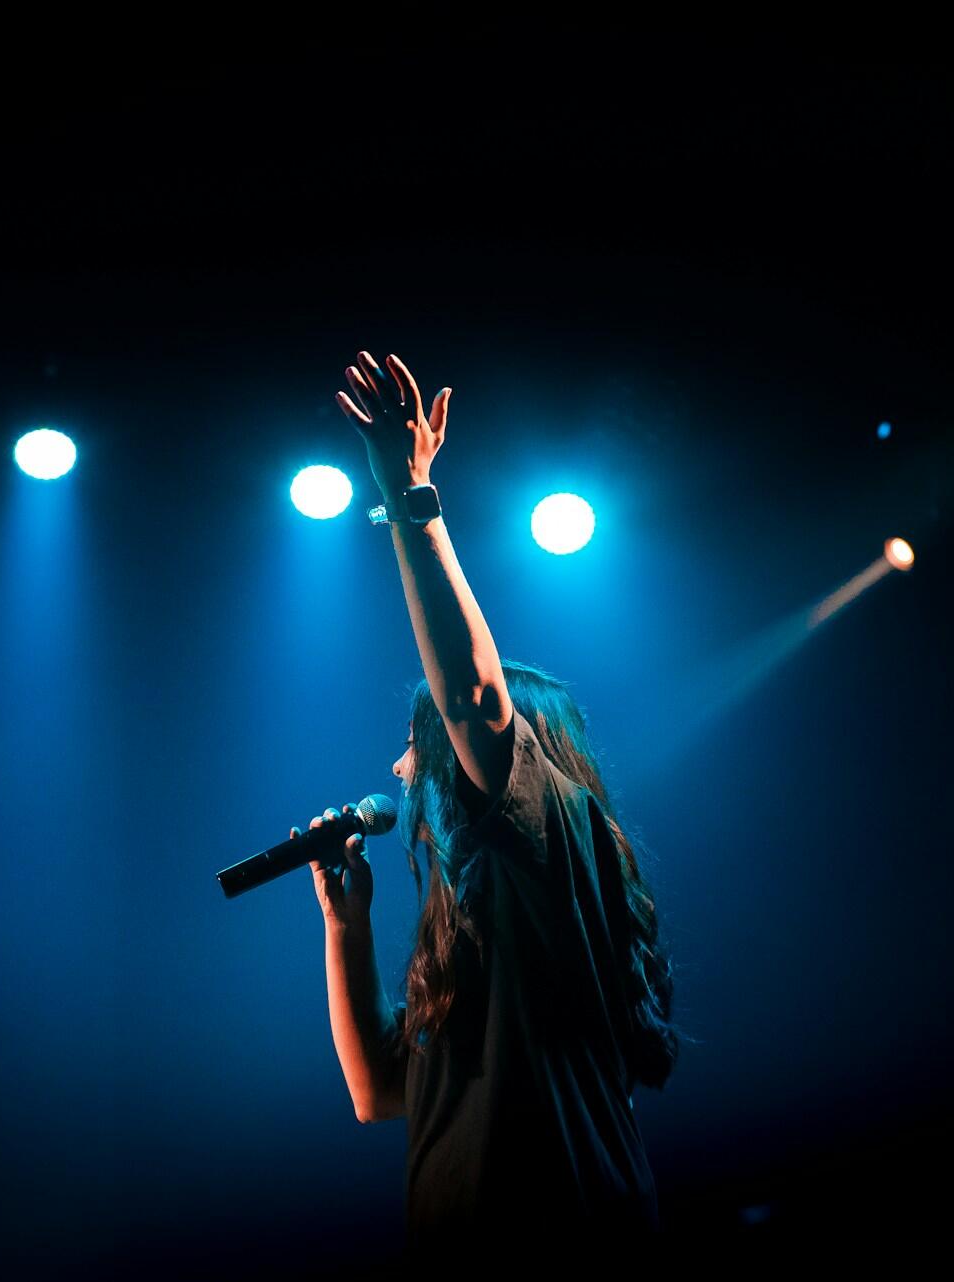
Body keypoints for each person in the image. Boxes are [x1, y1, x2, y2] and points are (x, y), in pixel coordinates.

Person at [292, 351, 682, 1265]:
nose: (400, 766)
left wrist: (408, 496)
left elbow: (470, 696)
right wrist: (346, 929)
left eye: (416, 743)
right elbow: (379, 1095)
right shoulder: (479, 921)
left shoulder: (553, 841)